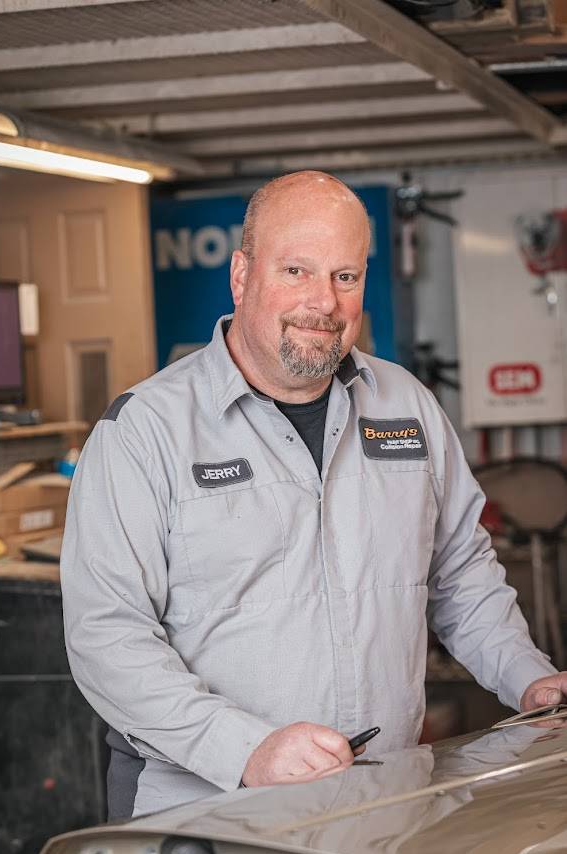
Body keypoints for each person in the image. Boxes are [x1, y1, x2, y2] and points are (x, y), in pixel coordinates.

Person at [61, 170, 566, 819]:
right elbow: (107, 636)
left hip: (382, 802)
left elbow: (460, 575)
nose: (322, 302)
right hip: (203, 812)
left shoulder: (406, 406)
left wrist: (526, 675)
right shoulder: (145, 429)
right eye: (295, 270)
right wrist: (244, 747)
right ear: (241, 275)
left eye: (344, 276)